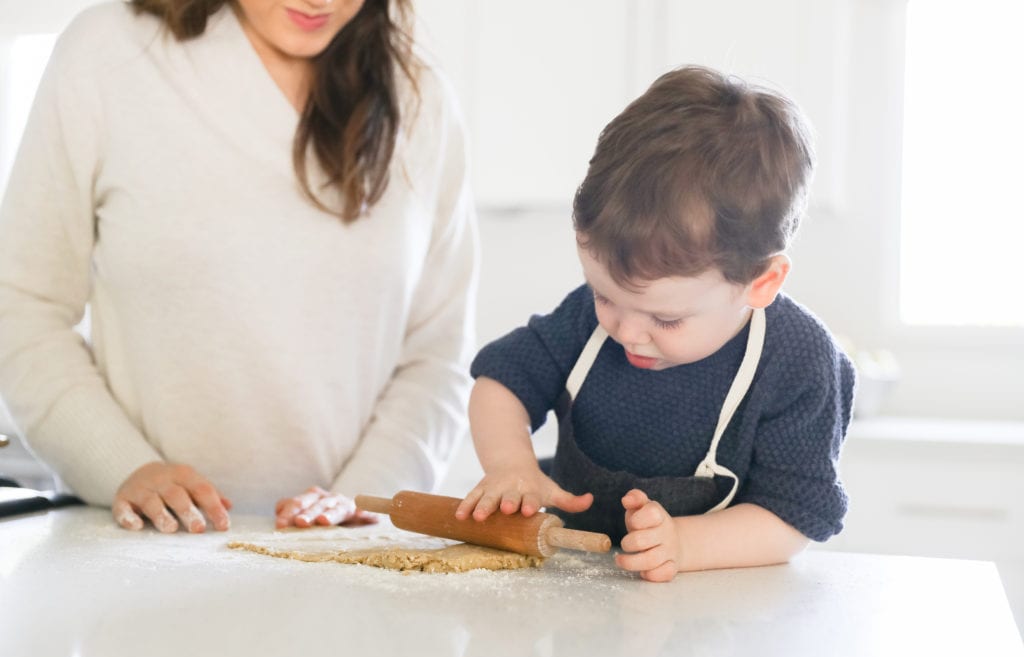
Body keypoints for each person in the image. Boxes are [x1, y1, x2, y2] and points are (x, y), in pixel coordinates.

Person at [0, 0, 477, 533]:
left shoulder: (421, 100)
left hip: (344, 565)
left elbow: (438, 356)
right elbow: (23, 308)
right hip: (134, 551)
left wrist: (366, 496)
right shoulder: (110, 54)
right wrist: (124, 467)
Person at [455, 66, 854, 582]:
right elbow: (499, 383)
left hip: (715, 618)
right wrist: (511, 464)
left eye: (666, 318)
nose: (626, 331)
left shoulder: (799, 362)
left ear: (761, 281)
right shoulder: (587, 320)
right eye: (605, 295)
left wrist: (683, 545)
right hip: (567, 592)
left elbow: (792, 517)